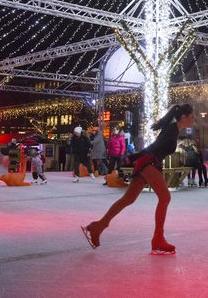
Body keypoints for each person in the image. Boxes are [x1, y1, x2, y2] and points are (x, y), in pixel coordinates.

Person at [82, 104, 194, 255]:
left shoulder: (173, 129)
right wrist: (134, 157)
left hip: (149, 162)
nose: (194, 120)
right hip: (149, 162)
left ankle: (98, 227)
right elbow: (154, 147)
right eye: (192, 117)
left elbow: (155, 147)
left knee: (128, 199)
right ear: (184, 117)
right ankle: (158, 239)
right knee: (165, 197)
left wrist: (134, 158)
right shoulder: (171, 130)